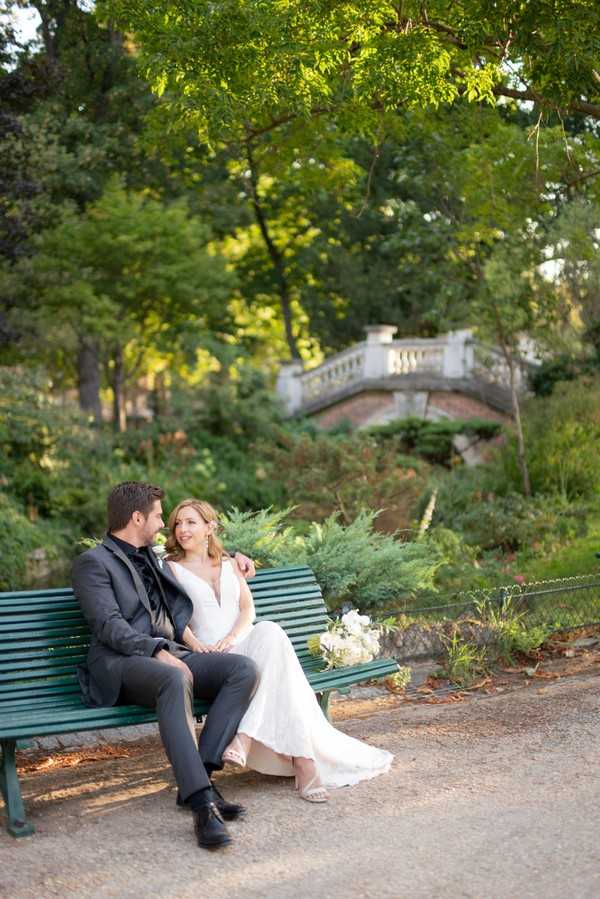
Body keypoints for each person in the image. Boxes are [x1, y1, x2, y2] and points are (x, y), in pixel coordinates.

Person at [165, 498, 393, 804]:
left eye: (191, 522)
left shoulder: (231, 564)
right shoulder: (170, 568)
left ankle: (245, 737)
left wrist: (234, 635)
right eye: (178, 523)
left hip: (244, 643)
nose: (182, 529)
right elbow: (173, 619)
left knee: (270, 631)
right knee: (277, 660)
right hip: (212, 657)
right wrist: (197, 645)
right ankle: (304, 763)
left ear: (210, 527)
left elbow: (247, 609)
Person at [72, 481, 259, 851]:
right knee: (173, 677)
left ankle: (200, 772)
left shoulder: (152, 555)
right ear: (137, 517)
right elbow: (108, 627)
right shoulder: (93, 564)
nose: (164, 524)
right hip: (121, 663)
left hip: (171, 654)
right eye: (158, 516)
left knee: (243, 670)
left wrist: (236, 555)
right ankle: (202, 806)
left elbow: (195, 550)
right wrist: (158, 650)